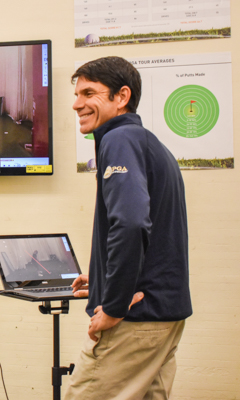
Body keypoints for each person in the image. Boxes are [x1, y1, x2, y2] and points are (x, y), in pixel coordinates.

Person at [65, 57, 192, 399]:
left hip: (136, 317)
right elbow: (153, 229)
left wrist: (115, 305)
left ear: (121, 97)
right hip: (163, 315)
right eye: (76, 94)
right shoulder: (147, 143)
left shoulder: (119, 140)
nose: (77, 103)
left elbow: (133, 223)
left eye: (89, 92)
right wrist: (103, 275)